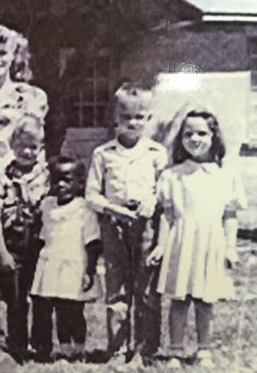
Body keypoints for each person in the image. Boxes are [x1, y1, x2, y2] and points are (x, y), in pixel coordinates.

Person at [146, 108, 246, 369]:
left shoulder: (225, 175)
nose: (195, 139)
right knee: (179, 299)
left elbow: (230, 214)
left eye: (202, 133)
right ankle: (176, 350)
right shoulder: (173, 175)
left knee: (205, 300)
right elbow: (167, 216)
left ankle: (204, 349)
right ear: (181, 139)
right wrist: (160, 245)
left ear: (214, 137)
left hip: (211, 242)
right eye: (188, 133)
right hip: (181, 241)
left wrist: (231, 247)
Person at [85, 83, 167, 365]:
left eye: (139, 117)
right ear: (115, 119)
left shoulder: (156, 153)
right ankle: (118, 348)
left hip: (145, 225)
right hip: (114, 225)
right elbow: (92, 194)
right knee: (117, 288)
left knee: (146, 289)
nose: (133, 123)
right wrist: (113, 209)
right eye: (126, 117)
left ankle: (145, 350)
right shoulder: (103, 154)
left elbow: (163, 190)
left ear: (148, 119)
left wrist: (151, 202)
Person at [0, 114, 50, 362]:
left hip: (41, 244)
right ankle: (18, 346)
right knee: (15, 299)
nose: (27, 151)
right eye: (22, 145)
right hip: (13, 244)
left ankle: (43, 345)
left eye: (33, 146)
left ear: (41, 148)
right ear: (12, 145)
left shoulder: (47, 177)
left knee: (42, 297)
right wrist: (2, 250)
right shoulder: (3, 178)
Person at [30, 156, 102, 363]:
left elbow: (93, 242)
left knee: (73, 309)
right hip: (52, 263)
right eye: (55, 179)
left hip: (74, 265)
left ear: (79, 182)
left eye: (66, 180)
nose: (60, 184)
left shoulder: (84, 208)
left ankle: (78, 348)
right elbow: (43, 235)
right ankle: (64, 348)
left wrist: (89, 271)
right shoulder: (47, 205)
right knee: (57, 308)